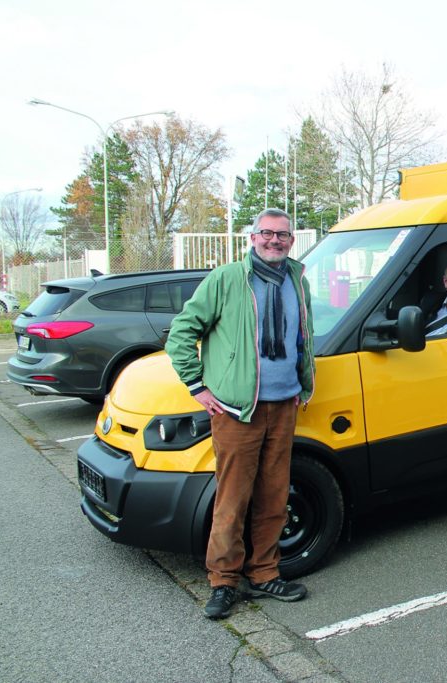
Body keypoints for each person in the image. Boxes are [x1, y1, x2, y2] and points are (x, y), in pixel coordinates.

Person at [166, 208, 315, 619]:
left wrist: (305, 383)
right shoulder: (227, 279)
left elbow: (303, 337)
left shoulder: (296, 281)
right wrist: (197, 386)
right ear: (252, 238)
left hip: (284, 405)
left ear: (291, 241)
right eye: (266, 233)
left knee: (273, 496)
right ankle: (223, 581)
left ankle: (264, 573)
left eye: (283, 235)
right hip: (237, 410)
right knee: (232, 500)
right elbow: (182, 332)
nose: (275, 241)